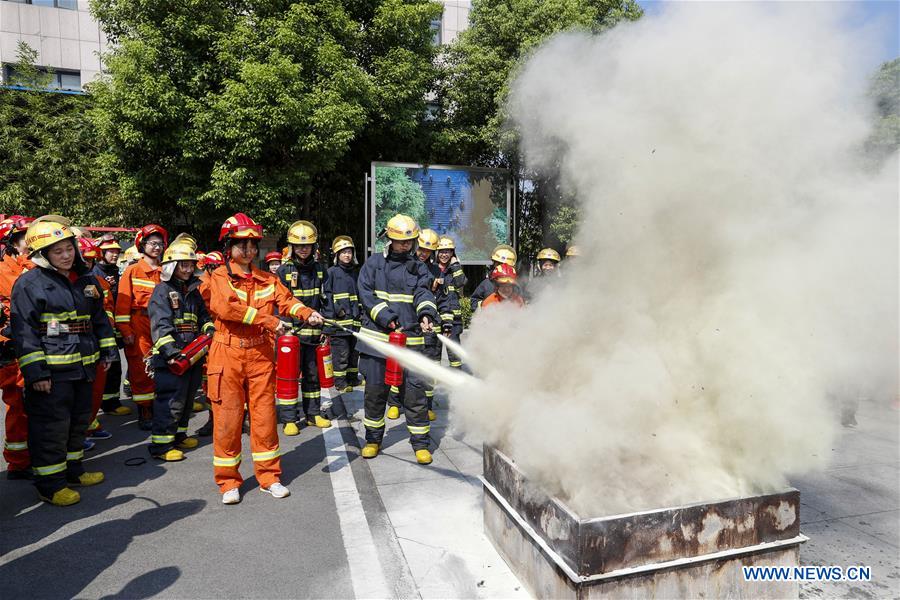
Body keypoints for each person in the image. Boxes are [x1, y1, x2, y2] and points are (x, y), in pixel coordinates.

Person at [202, 213, 322, 504]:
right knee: (228, 419)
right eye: (241, 244)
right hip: (227, 353)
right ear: (229, 246)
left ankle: (269, 477)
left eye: (252, 244)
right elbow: (226, 308)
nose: (248, 250)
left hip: (260, 355)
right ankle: (229, 482)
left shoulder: (267, 278)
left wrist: (307, 313)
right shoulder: (217, 277)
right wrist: (269, 321)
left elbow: (287, 300)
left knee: (265, 417)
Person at [10, 215, 118, 506]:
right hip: (52, 371)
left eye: (69, 248)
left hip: (84, 365)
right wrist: (36, 373)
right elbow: (24, 333)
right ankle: (50, 484)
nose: (66, 255)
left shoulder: (85, 279)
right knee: (51, 427)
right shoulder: (29, 284)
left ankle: (73, 470)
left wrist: (107, 350)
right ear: (42, 254)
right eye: (58, 251)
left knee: (79, 422)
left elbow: (99, 319)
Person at [356, 214, 439, 464]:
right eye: (400, 242)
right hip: (377, 343)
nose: (406, 246)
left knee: (415, 396)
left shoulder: (419, 267)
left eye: (410, 242)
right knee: (375, 394)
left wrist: (426, 313)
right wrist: (387, 318)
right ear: (389, 239)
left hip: (410, 342)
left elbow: (423, 291)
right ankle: (372, 440)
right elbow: (365, 293)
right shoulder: (373, 264)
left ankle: (421, 445)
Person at [147, 234, 214, 462]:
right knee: (170, 400)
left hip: (193, 354)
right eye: (182, 265)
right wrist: (171, 352)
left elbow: (203, 316)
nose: (187, 269)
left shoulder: (193, 291)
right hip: (172, 357)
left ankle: (179, 435)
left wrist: (209, 329)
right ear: (171, 266)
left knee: (186, 399)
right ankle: (161, 446)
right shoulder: (161, 291)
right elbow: (160, 325)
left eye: (190, 265)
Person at [276, 220, 330, 435]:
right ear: (291, 247)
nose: (303, 249)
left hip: (314, 333)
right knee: (289, 376)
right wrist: (284, 330)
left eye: (307, 245)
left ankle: (313, 414)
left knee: (312, 375)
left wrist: (325, 326)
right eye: (299, 245)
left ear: (314, 247)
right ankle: (289, 418)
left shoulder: (320, 270)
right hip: (291, 335)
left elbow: (327, 300)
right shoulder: (283, 271)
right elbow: (279, 303)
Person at [115, 224, 168, 430]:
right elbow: (122, 305)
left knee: (164, 365)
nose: (156, 247)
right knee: (141, 368)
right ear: (142, 245)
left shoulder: (166, 270)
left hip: (162, 324)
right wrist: (126, 331)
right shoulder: (133, 270)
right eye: (152, 243)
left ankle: (159, 406)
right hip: (139, 324)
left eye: (159, 244)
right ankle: (145, 410)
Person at [0, 215, 34, 480]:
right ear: (11, 241)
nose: (30, 242)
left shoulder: (36, 265)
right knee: (18, 403)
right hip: (12, 348)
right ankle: (19, 461)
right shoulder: (4, 270)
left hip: (37, 342)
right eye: (25, 237)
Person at [77, 237, 114, 445]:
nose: (88, 264)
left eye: (91, 261)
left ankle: (89, 424)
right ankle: (78, 434)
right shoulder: (64, 282)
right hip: (74, 347)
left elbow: (105, 312)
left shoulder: (98, 283)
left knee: (96, 390)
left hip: (95, 342)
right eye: (85, 260)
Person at [91, 234, 130, 417]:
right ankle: (108, 404)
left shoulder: (115, 270)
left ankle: (111, 401)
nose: (115, 255)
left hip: (115, 323)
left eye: (116, 252)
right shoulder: (96, 272)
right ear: (102, 253)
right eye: (111, 252)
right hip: (104, 325)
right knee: (110, 366)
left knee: (115, 367)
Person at [321, 235, 360, 404]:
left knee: (353, 353)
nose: (347, 255)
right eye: (343, 252)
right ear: (337, 255)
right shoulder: (331, 273)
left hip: (354, 322)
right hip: (339, 323)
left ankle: (352, 378)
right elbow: (326, 297)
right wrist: (337, 311)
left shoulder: (355, 272)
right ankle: (340, 382)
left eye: (349, 252)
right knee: (341, 354)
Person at [435, 236, 467, 370]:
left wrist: (455, 265)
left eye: (448, 251)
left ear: (452, 253)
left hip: (454, 318)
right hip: (436, 316)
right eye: (441, 251)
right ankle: (434, 379)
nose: (444, 255)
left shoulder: (454, 268)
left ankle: (457, 379)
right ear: (436, 253)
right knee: (435, 350)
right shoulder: (432, 268)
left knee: (454, 351)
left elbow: (461, 282)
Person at [471, 244, 517, 311]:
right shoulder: (486, 284)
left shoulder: (516, 285)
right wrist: (484, 305)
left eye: (506, 265)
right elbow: (474, 301)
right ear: (494, 263)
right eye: (499, 264)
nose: (502, 267)